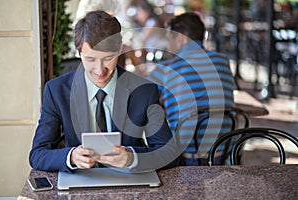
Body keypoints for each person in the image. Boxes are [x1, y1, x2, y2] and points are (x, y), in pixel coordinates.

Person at [29, 10, 178, 173]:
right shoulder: (56, 91)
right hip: (80, 182)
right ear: (79, 53)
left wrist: (132, 158)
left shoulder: (144, 91)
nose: (100, 71)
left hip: (130, 185)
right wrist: (71, 157)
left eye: (108, 58)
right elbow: (37, 155)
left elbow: (169, 153)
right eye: (91, 59)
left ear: (120, 49)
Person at [148, 12, 236, 166]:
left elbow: (143, 98)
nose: (169, 46)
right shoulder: (223, 61)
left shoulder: (166, 69)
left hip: (185, 156)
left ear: (180, 38)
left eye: (170, 39)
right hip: (224, 152)